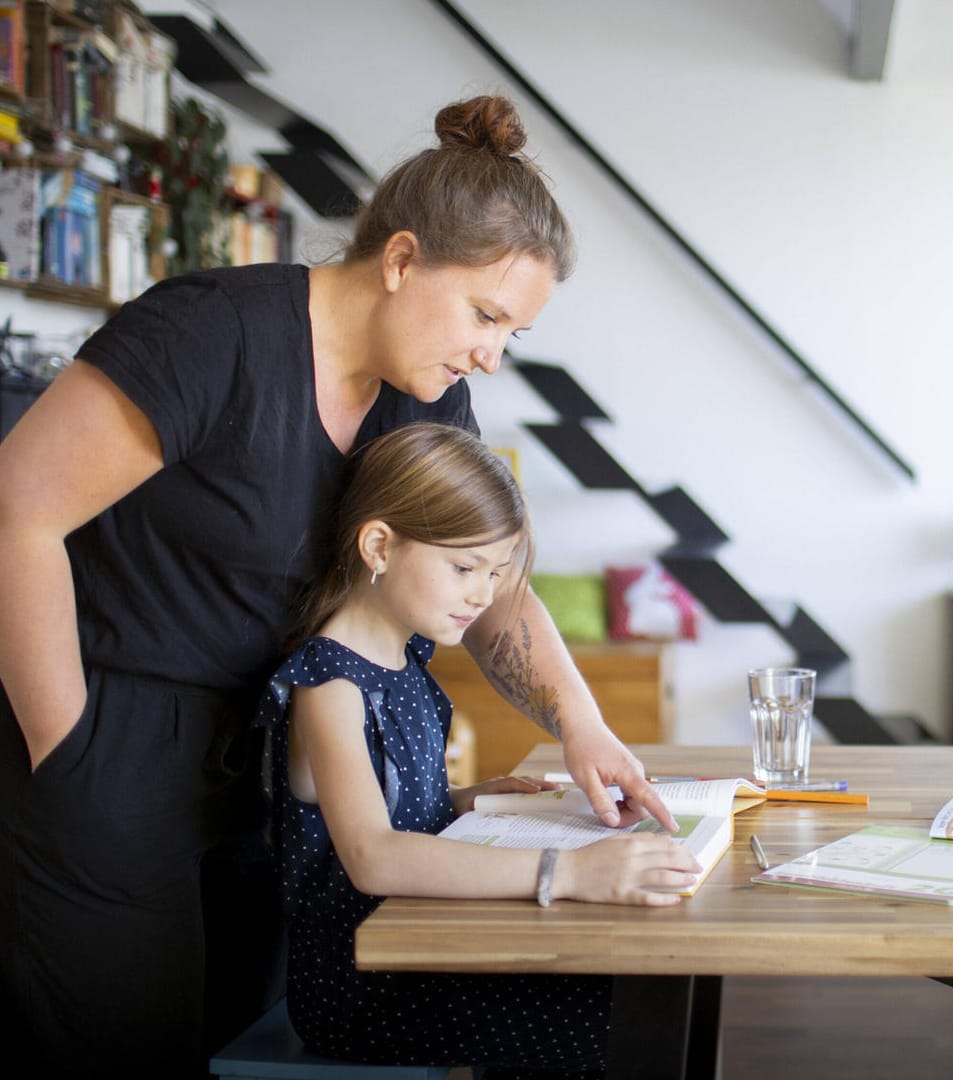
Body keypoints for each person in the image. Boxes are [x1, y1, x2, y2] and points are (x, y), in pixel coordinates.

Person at [0, 94, 674, 1076]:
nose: (490, 352)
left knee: (235, 1038)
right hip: (113, 753)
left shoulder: (427, 392)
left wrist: (582, 723)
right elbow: (18, 511)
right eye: (485, 315)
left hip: (264, 766)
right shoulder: (213, 333)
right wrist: (69, 754)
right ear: (401, 260)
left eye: (511, 334)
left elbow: (486, 573)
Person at [260, 421, 700, 1072]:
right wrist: (570, 873)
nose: (484, 595)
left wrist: (467, 799)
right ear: (379, 545)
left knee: (643, 993)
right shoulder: (330, 683)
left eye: (495, 572)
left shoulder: (404, 655)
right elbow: (374, 857)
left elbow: (381, 806)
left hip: (429, 948)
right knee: (620, 1016)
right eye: (465, 567)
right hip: (366, 986)